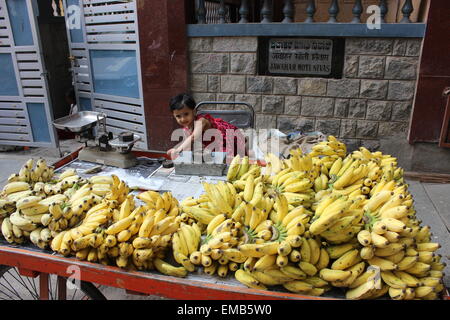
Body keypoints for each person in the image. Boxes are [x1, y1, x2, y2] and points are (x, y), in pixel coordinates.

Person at [167, 93, 247, 161]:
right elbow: (189, 146)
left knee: (231, 161)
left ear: (194, 112)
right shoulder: (186, 129)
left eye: (186, 114)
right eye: (178, 116)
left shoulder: (201, 121)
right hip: (213, 147)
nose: (183, 119)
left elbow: (193, 137)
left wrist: (177, 150)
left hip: (226, 142)